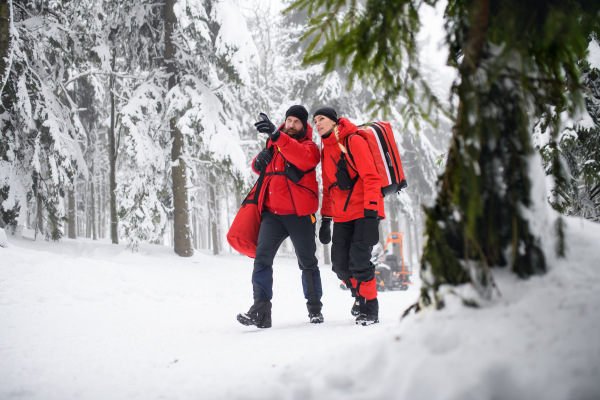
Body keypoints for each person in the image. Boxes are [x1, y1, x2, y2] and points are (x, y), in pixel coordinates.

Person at [236, 105, 323, 329]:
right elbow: (263, 170)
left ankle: (314, 309)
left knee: (307, 262)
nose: (291, 125)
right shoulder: (275, 143)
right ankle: (261, 312)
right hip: (272, 215)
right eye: (289, 120)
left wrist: (277, 136)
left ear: (304, 126)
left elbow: (302, 158)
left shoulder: (309, 147)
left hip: (299, 215)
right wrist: (259, 162)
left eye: (296, 122)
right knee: (261, 260)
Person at [314, 107, 384, 326]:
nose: (317, 124)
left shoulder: (353, 141)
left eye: (321, 119)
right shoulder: (326, 149)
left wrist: (372, 213)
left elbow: (371, 178)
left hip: (364, 211)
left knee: (360, 260)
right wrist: (326, 219)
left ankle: (370, 308)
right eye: (315, 121)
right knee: (340, 265)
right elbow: (328, 188)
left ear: (334, 122)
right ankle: (359, 296)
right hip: (342, 215)